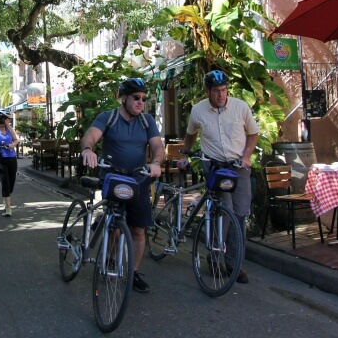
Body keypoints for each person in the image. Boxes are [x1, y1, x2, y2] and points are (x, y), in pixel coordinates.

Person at [81, 77, 164, 294]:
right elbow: (91, 135)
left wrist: (156, 162)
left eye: (144, 99)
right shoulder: (108, 117)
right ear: (124, 98)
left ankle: (133, 272)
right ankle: (108, 257)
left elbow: (157, 146)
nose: (140, 102)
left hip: (138, 179)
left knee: (139, 229)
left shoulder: (147, 121)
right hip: (114, 176)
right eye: (136, 98)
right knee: (116, 225)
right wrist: (88, 149)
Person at [182, 69, 259, 284]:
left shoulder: (240, 107)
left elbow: (253, 133)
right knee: (224, 213)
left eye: (224, 90)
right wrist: (185, 156)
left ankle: (234, 264)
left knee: (241, 213)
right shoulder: (198, 111)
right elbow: (190, 134)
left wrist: (246, 156)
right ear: (207, 91)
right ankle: (215, 258)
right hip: (215, 167)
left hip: (238, 167)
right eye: (216, 91)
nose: (221, 95)